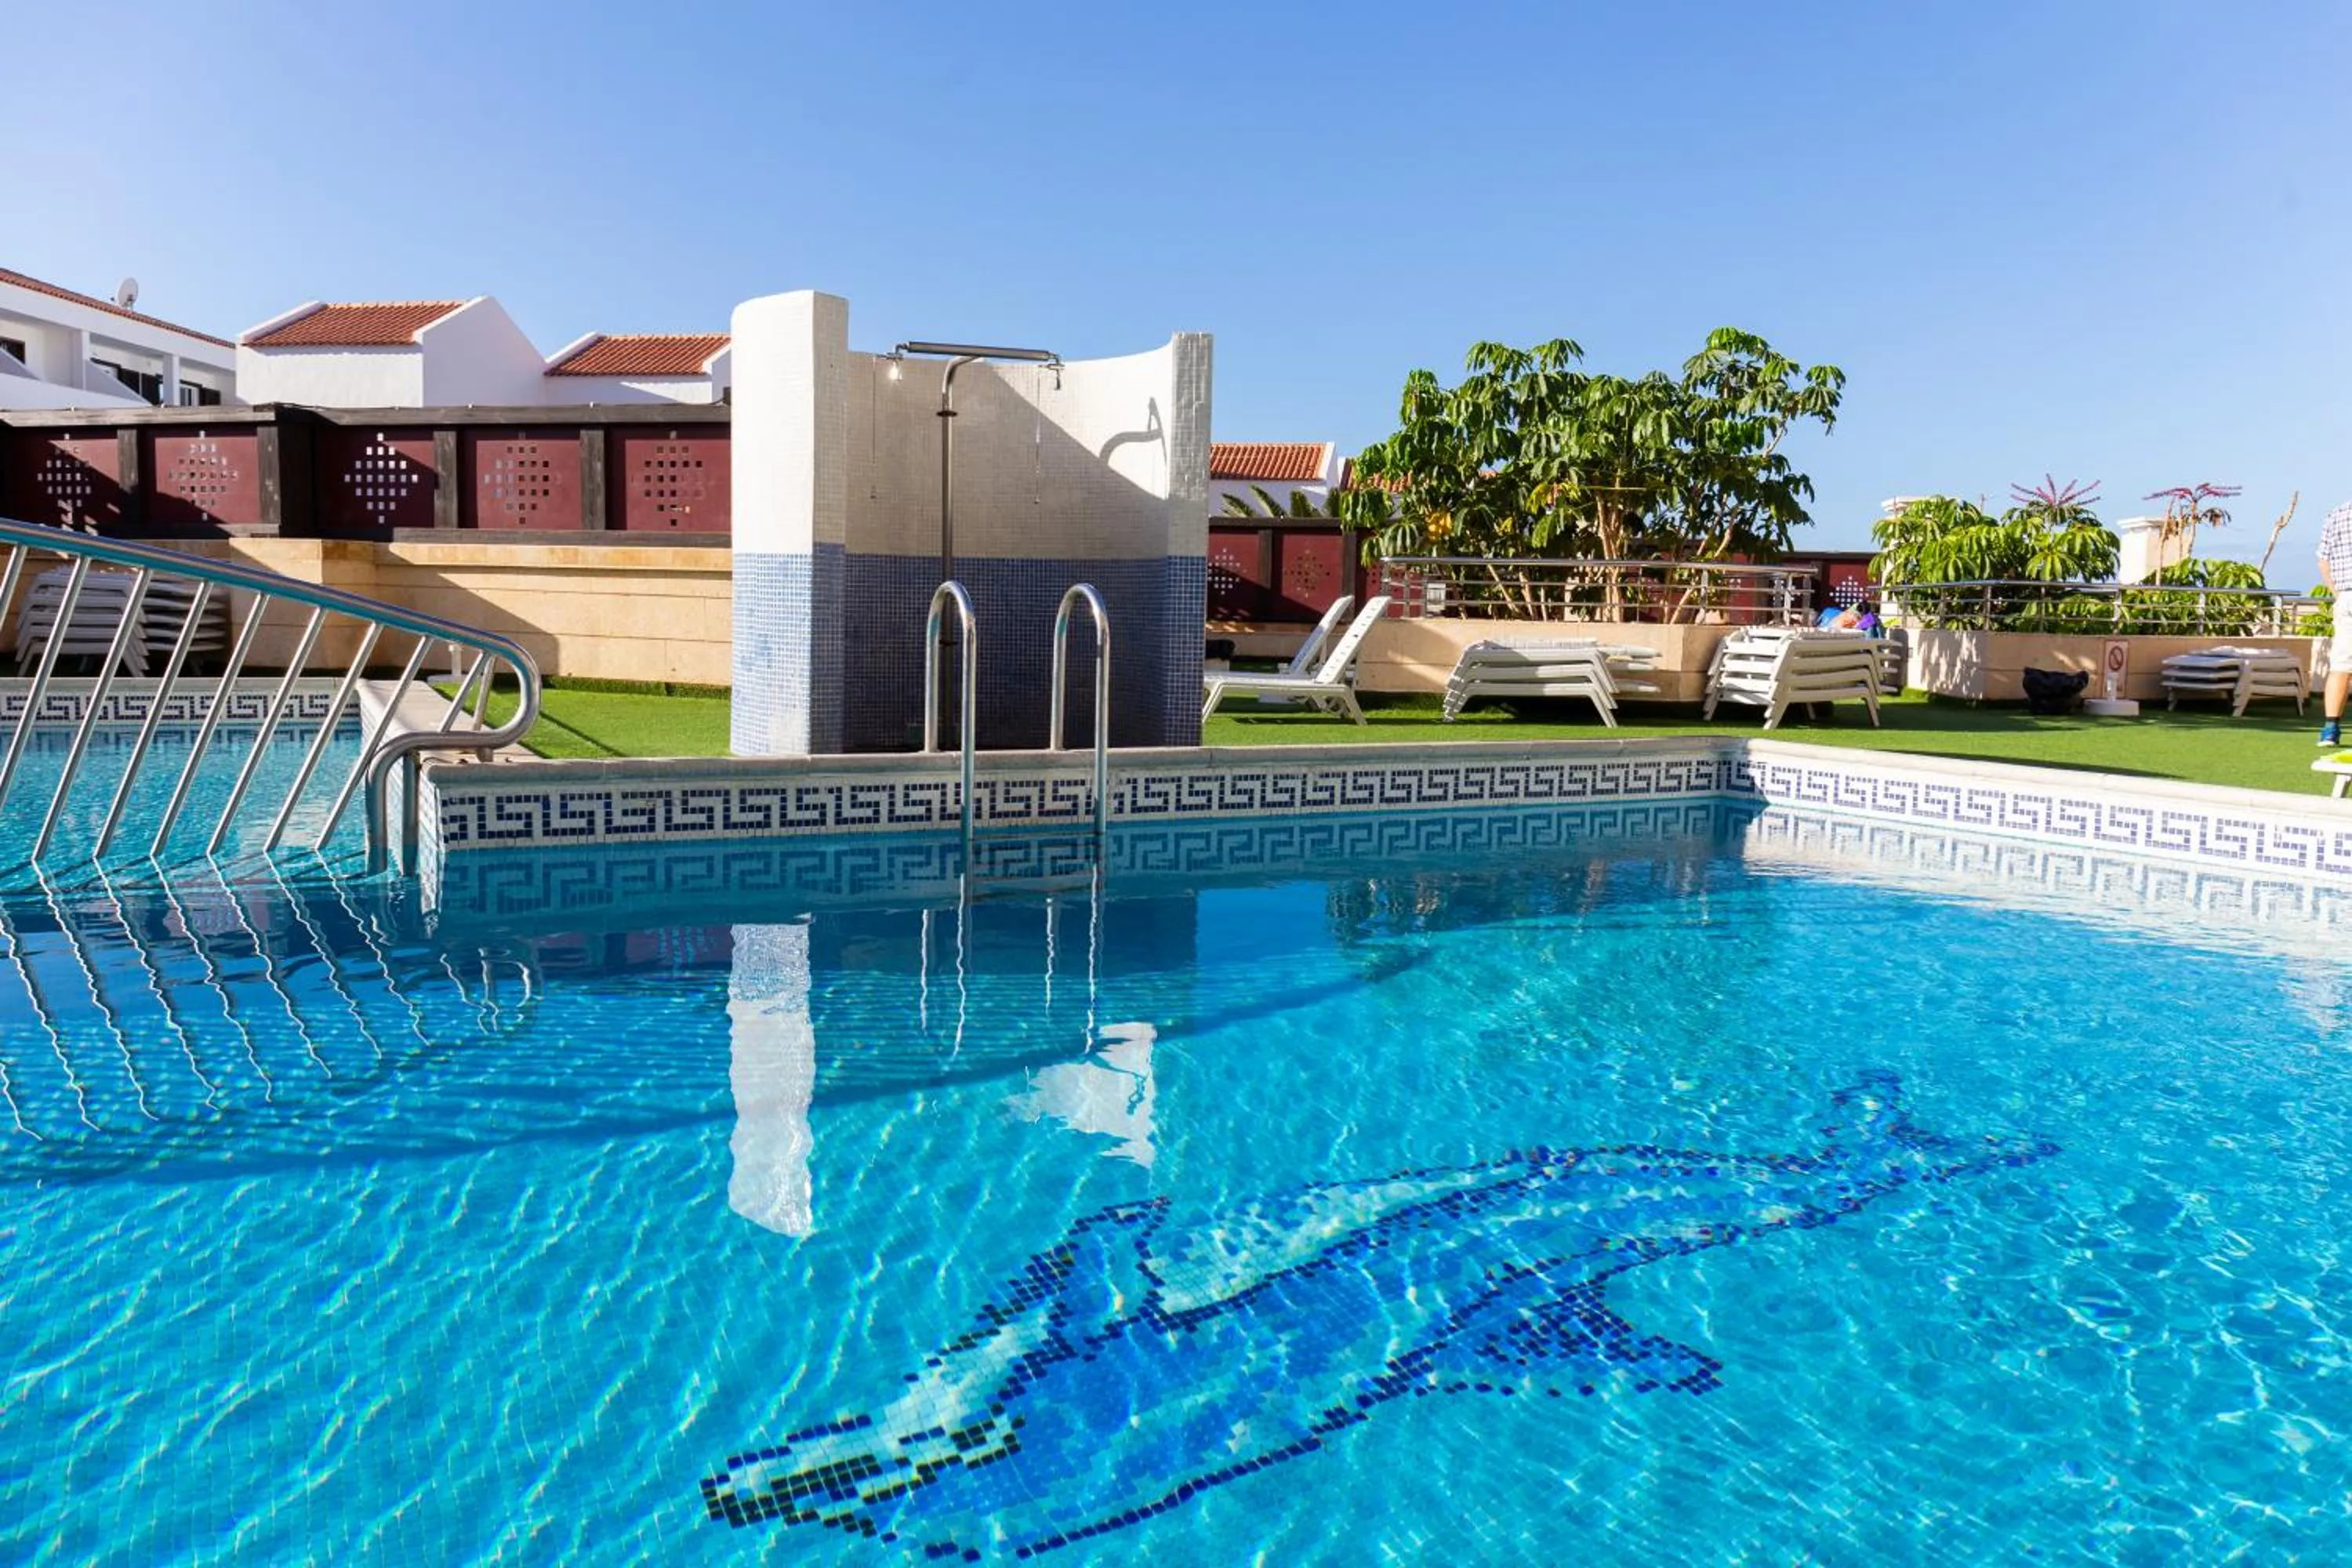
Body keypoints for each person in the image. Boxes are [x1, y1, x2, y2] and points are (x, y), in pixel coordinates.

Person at [2319, 502, 2352, 746]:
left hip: (2347, 597)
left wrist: (2338, 593)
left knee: (2342, 665)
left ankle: (2330, 730)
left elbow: (2323, 559)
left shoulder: (2338, 513)